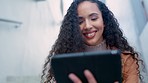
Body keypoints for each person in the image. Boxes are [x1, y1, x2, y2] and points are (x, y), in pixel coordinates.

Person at [41, 0, 144, 83]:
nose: (88, 26)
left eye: (94, 18)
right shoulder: (66, 61)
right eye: (80, 22)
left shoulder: (126, 59)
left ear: (104, 21)